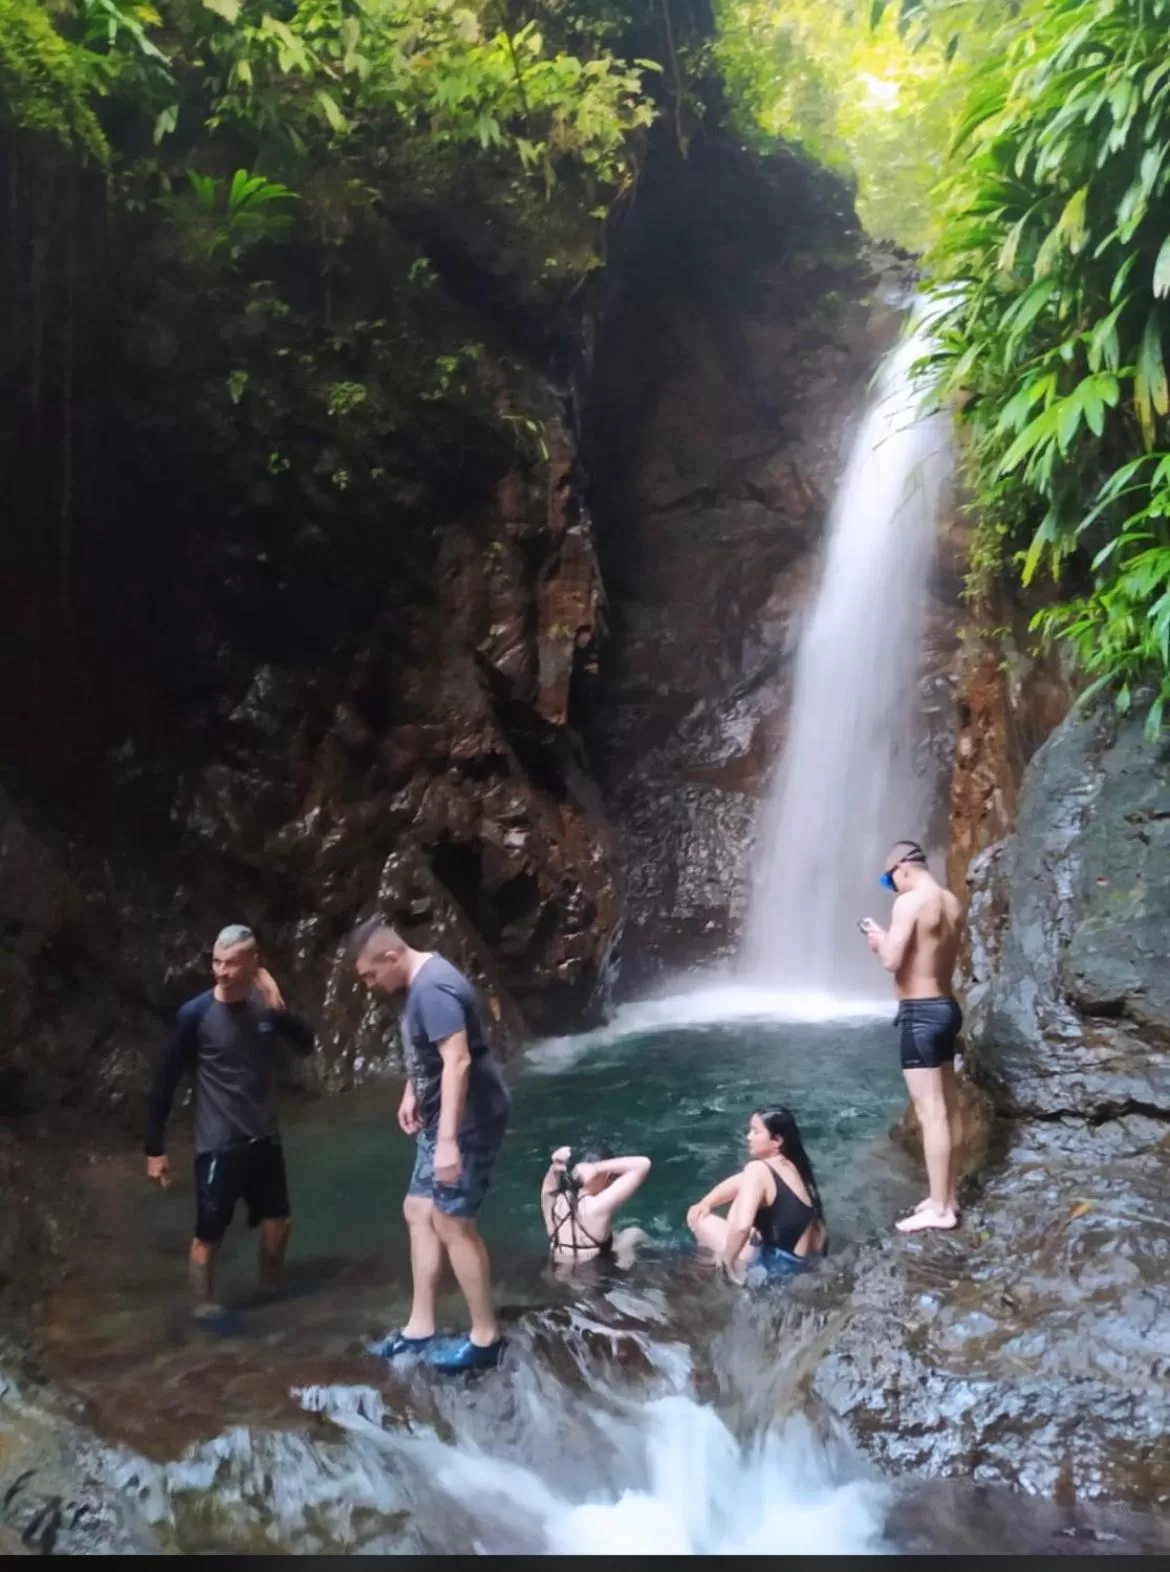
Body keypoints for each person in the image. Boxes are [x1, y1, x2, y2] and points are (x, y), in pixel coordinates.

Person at [351, 918, 511, 1373]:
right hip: (440, 1114)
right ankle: (420, 1328)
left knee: (452, 1221)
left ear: (391, 957)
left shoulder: (434, 988)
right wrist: (412, 1091)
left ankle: (485, 1339)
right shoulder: (419, 984)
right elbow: (430, 1054)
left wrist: (447, 1144)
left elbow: (457, 1061)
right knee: (418, 1210)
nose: (370, 986)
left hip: (469, 1120)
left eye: (370, 975)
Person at [144, 924, 316, 1317]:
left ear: (253, 963)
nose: (221, 971)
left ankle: (270, 1288)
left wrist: (278, 1006)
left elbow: (305, 1043)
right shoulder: (195, 1014)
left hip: (264, 1136)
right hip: (219, 1142)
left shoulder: (263, 1007)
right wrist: (155, 1149)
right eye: (217, 962)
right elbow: (165, 1080)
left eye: (231, 963)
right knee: (209, 1231)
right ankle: (202, 1305)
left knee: (278, 1220)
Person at [859, 839, 964, 1234]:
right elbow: (927, 954)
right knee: (949, 1108)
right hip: (947, 1008)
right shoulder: (951, 902)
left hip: (920, 1015)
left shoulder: (910, 902)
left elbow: (892, 960)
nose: (892, 888)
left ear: (902, 868)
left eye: (890, 881)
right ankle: (947, 1196)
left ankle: (939, 1209)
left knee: (930, 1112)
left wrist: (879, 942)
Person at [686, 1107, 826, 1283]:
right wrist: (706, 1202)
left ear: (777, 1140)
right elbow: (739, 1182)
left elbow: (742, 1227)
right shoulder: (791, 1166)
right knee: (739, 1197)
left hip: (771, 1270)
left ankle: (711, 1262)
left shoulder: (757, 1169)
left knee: (697, 1218)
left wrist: (727, 1261)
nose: (748, 1137)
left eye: (755, 1131)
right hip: (795, 1264)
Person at [540, 1145, 651, 1272]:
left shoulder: (553, 1202)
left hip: (554, 1275)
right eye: (611, 1177)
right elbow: (644, 1164)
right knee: (634, 1233)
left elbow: (550, 1184)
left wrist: (555, 1166)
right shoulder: (595, 1207)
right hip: (592, 1280)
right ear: (606, 1175)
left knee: (615, 1234)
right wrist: (596, 1168)